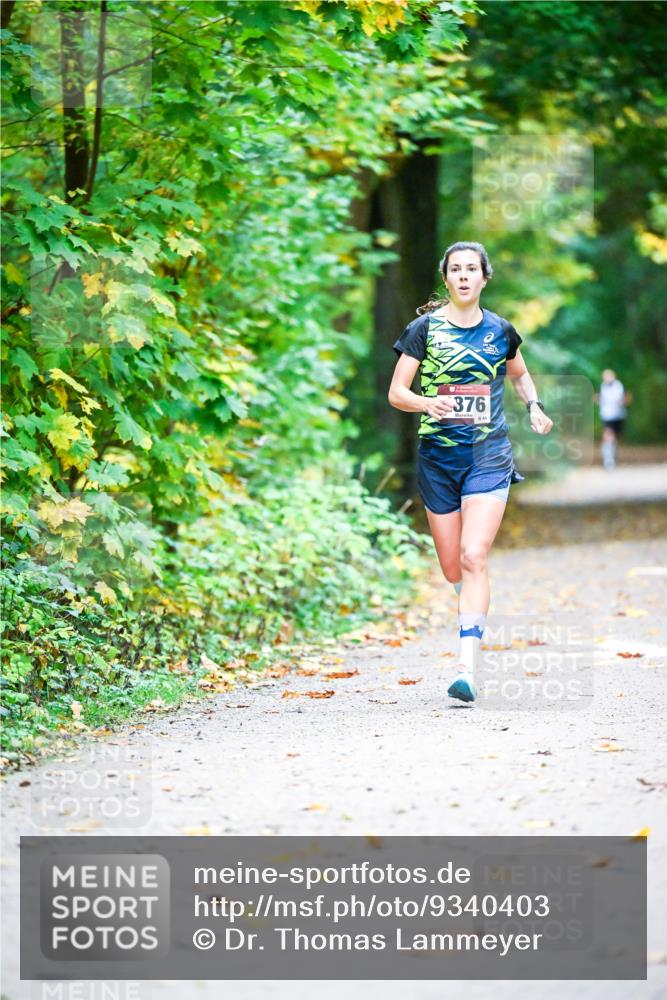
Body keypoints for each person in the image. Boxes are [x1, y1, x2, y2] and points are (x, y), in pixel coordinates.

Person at [388, 241, 553, 704]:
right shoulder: (424, 329)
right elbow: (397, 392)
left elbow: (519, 374)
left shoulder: (500, 330)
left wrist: (535, 407)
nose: (463, 276)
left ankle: (467, 665)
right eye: (455, 269)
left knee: (474, 555)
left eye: (471, 269)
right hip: (439, 458)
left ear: (484, 278)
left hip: (488, 455)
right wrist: (426, 402)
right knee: (452, 566)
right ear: (447, 279)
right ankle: (471, 604)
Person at [594, 369, 631, 470]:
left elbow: (625, 398)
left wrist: (622, 401)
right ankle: (608, 460)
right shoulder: (603, 386)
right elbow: (599, 398)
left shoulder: (618, 386)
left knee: (614, 438)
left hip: (618, 415)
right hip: (607, 415)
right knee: (609, 435)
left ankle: (609, 453)